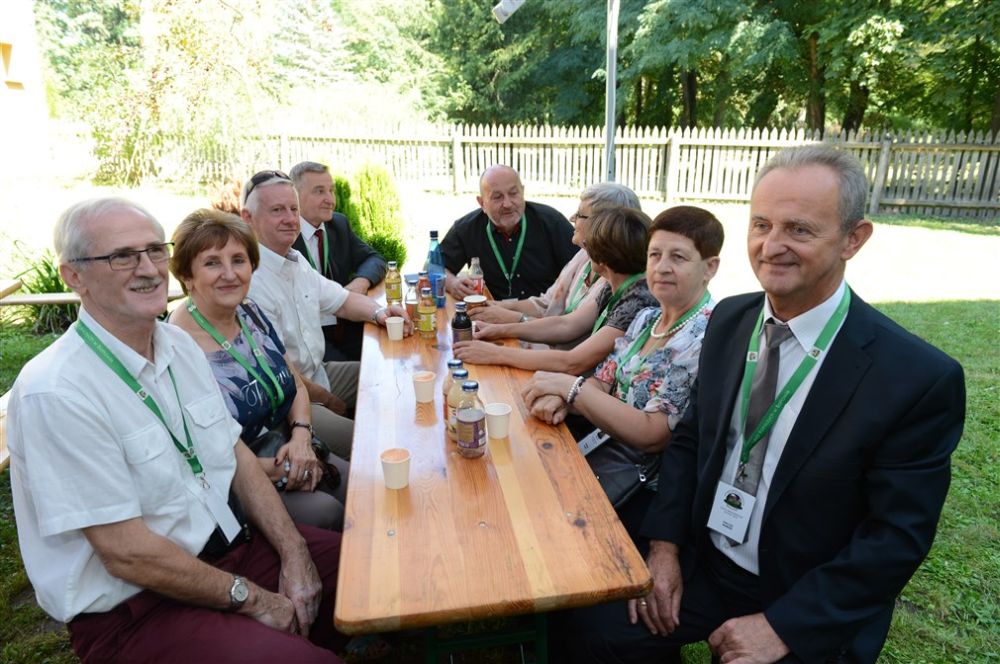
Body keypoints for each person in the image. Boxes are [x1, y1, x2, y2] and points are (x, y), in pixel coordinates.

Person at [564, 145, 966, 663]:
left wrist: (785, 627)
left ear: (854, 239)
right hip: (710, 562)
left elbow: (896, 537)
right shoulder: (730, 321)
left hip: (803, 591)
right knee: (593, 627)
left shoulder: (915, 377)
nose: (772, 246)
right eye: (761, 225)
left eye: (799, 229)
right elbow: (690, 441)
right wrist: (664, 549)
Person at [6, 198, 347, 663]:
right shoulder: (57, 392)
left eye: (154, 250)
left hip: (232, 553)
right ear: (74, 276)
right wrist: (255, 599)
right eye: (122, 256)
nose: (148, 269)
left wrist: (294, 552)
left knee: (362, 571)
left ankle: (312, 635)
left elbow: (235, 455)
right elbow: (127, 554)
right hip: (139, 609)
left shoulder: (177, 345)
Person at [520, 206, 722, 537]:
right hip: (605, 461)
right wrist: (566, 399)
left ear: (709, 268)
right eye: (655, 255)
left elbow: (652, 434)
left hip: (648, 497)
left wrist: (570, 389)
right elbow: (602, 382)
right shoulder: (647, 318)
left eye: (678, 257)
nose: (662, 267)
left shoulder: (707, 334)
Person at [168, 208, 350, 530]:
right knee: (328, 513)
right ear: (186, 276)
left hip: (288, 441)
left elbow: (292, 379)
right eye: (212, 263)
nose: (229, 274)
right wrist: (279, 468)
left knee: (363, 487)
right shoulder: (177, 346)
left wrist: (301, 436)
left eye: (238, 260)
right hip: (239, 476)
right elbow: (198, 455)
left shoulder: (248, 311)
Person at [242, 170, 411, 459]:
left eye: (293, 209)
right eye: (277, 210)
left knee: (395, 375)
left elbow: (343, 301)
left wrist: (381, 313)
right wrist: (330, 401)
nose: (290, 218)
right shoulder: (251, 282)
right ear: (248, 218)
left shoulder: (295, 260)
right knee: (374, 442)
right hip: (293, 403)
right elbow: (285, 376)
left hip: (320, 373)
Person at [454, 207, 657, 376]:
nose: (585, 251)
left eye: (589, 245)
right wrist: (498, 330)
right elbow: (566, 325)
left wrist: (495, 354)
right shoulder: (614, 283)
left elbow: (573, 362)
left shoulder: (637, 298)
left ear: (603, 256)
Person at [469, 182, 640, 335]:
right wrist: (498, 306)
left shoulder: (614, 279)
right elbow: (546, 303)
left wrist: (510, 319)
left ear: (604, 224)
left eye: (580, 215)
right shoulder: (584, 255)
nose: (572, 218)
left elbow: (568, 329)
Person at [290, 161, 387, 362]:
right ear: (295, 197)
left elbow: (375, 259)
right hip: (309, 338)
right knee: (363, 372)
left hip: (346, 324)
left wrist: (360, 283)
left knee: (388, 352)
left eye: (331, 191)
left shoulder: (337, 224)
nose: (330, 200)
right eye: (319, 191)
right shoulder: (286, 236)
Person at [441, 164, 578, 300]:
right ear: (482, 203)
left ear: (522, 192)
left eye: (513, 194)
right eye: (497, 197)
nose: (507, 204)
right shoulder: (466, 229)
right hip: (489, 311)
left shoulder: (552, 222)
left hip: (543, 311)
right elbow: (435, 267)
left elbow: (583, 265)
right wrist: (452, 283)